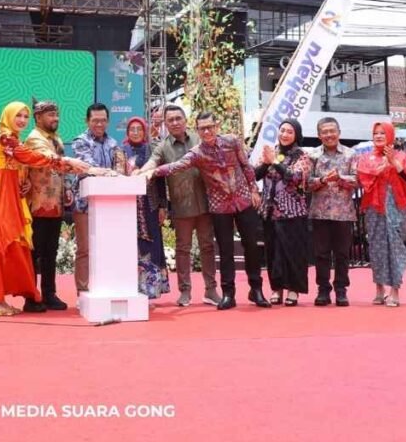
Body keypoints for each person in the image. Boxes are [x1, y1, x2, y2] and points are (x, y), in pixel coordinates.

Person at [144, 112, 269, 310]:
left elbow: (247, 167)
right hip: (219, 207)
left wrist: (254, 190)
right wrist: (151, 171)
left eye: (210, 126)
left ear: (216, 126)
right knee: (225, 250)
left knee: (252, 247)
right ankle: (228, 294)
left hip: (243, 201)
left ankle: (257, 290)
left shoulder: (233, 141)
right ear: (197, 130)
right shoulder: (197, 153)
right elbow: (176, 166)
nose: (207, 131)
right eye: (202, 128)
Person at [0, 102, 88, 316]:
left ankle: (2, 297)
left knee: (13, 248)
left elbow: (21, 165)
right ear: (8, 116)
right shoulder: (6, 137)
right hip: (1, 196)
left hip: (12, 195)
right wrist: (63, 160)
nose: (22, 120)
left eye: (25, 116)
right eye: (18, 116)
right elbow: (27, 157)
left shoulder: (13, 138)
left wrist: (23, 181)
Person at [138, 105, 220, 307]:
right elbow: (152, 162)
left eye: (178, 118)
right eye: (170, 120)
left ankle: (211, 290)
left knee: (208, 247)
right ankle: (185, 292)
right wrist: (141, 173)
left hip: (206, 204)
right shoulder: (162, 147)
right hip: (182, 207)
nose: (174, 122)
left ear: (185, 120)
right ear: (165, 124)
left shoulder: (200, 138)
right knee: (182, 249)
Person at [358, 122, 406, 307]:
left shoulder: (402, 156)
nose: (378, 136)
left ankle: (395, 289)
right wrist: (377, 170)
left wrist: (394, 163)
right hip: (374, 206)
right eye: (375, 133)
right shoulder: (366, 157)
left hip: (396, 205)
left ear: (391, 135)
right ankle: (379, 289)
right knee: (376, 246)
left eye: (383, 133)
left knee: (395, 245)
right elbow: (363, 178)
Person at [23, 100, 75, 311]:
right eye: (50, 115)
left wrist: (68, 188)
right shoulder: (35, 139)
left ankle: (49, 293)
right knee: (34, 254)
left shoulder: (56, 138)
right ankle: (30, 297)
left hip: (55, 204)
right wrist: (78, 165)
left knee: (50, 252)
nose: (55, 119)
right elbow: (50, 159)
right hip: (37, 204)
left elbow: (61, 168)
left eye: (56, 115)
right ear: (38, 118)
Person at [255, 119, 312, 306]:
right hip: (270, 211)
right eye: (282, 131)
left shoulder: (302, 156)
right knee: (272, 253)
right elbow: (255, 175)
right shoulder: (272, 151)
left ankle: (293, 290)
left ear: (296, 135)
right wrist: (265, 163)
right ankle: (276, 289)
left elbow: (295, 177)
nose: (285, 134)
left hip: (292, 212)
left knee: (292, 252)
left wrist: (275, 163)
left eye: (289, 131)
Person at [71, 103, 126, 294]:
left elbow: (119, 166)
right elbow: (88, 165)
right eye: (95, 120)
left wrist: (119, 172)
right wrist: (110, 174)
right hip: (84, 205)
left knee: (107, 249)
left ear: (108, 121)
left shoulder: (113, 143)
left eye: (103, 120)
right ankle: (83, 291)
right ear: (87, 121)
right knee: (85, 249)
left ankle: (105, 288)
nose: (99, 124)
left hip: (109, 206)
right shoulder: (80, 141)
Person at [308, 117, 358, 307]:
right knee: (321, 254)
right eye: (324, 132)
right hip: (319, 212)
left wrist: (340, 178)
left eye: (332, 131)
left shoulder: (350, 154)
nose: (329, 135)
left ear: (339, 132)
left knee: (342, 253)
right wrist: (321, 180)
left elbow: (357, 180)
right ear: (319, 135)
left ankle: (341, 290)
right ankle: (323, 290)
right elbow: (306, 184)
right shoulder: (312, 155)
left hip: (343, 213)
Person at [121, 116, 170, 301]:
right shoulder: (121, 151)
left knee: (152, 245)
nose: (135, 132)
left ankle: (151, 289)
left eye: (139, 129)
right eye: (132, 129)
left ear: (144, 131)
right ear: (127, 132)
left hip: (150, 206)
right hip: (128, 207)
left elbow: (160, 179)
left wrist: (162, 206)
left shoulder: (152, 150)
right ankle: (131, 288)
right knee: (130, 246)